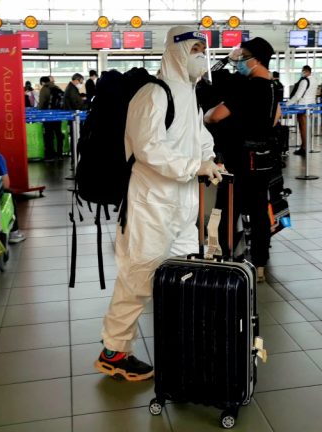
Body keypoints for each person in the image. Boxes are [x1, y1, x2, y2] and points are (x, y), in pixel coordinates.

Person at [95, 26, 221, 381]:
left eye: (203, 49)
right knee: (138, 277)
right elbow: (149, 148)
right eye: (194, 48)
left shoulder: (190, 95)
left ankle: (180, 343)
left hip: (183, 204)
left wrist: (210, 159)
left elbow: (200, 136)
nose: (200, 55)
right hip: (149, 205)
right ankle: (114, 351)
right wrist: (194, 166)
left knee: (185, 274)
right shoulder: (153, 93)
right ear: (175, 51)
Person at [205, 37, 280, 283]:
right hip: (263, 158)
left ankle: (221, 257)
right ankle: (259, 264)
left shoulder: (249, 87)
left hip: (240, 158)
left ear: (256, 59)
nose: (240, 61)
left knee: (225, 208)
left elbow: (216, 116)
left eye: (243, 56)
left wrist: (206, 115)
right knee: (259, 212)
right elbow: (276, 118)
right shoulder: (274, 86)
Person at [286, 65, 317, 156]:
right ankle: (304, 146)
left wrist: (288, 103)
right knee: (305, 127)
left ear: (306, 71)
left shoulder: (304, 81)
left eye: (303, 71)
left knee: (302, 127)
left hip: (302, 107)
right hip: (310, 105)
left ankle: (304, 148)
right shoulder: (314, 80)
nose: (302, 73)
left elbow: (298, 95)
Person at [38, 76, 65, 161]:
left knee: (49, 136)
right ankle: (60, 154)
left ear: (42, 82)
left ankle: (50, 156)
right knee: (58, 134)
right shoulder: (56, 87)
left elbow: (41, 104)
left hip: (48, 116)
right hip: (58, 116)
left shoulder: (44, 89)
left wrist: (39, 109)